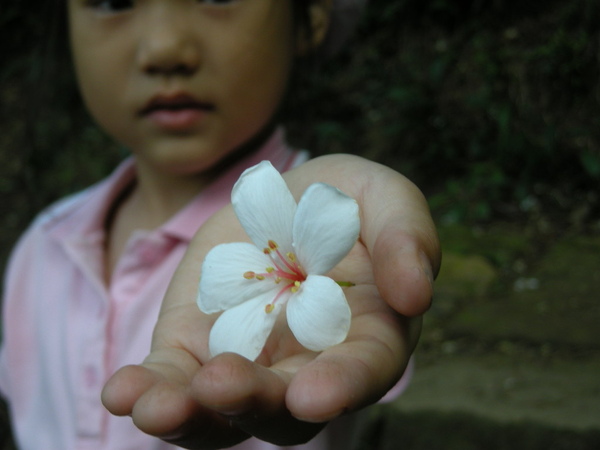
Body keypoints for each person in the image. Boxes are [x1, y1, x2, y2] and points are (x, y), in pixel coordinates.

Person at [0, 0, 440, 449]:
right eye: (114, 1)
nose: (164, 48)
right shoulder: (39, 249)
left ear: (313, 18)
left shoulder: (353, 244)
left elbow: (344, 356)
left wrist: (361, 260)